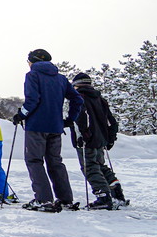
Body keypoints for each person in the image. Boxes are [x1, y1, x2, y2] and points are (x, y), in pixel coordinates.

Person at [12, 49, 83, 212]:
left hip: (36, 126)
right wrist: (70, 119)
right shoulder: (61, 78)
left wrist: (21, 115)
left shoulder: (32, 76)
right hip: (56, 127)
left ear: (33, 61)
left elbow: (32, 99)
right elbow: (77, 99)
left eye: (28, 61)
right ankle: (65, 199)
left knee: (34, 160)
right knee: (55, 162)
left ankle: (43, 199)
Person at [68, 72, 125, 209]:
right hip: (101, 139)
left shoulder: (78, 97)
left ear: (76, 84)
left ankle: (103, 197)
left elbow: (80, 119)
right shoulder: (100, 99)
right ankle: (116, 192)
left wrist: (83, 136)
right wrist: (110, 138)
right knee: (100, 166)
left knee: (90, 168)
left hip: (87, 140)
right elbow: (111, 121)